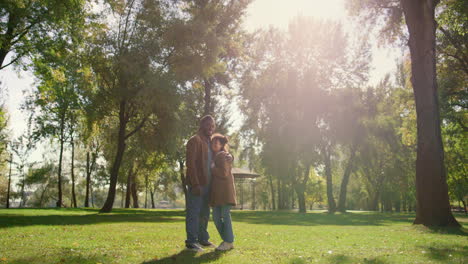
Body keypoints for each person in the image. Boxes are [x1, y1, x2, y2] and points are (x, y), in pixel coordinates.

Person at [184, 115, 217, 252]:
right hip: (197, 185)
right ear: (202, 125)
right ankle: (191, 242)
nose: (210, 128)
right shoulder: (194, 140)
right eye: (208, 125)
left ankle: (203, 239)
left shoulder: (210, 142)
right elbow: (190, 164)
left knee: (204, 213)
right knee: (194, 213)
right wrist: (195, 184)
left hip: (208, 185)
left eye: (212, 125)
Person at [209, 133, 237, 251]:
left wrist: (213, 168)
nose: (214, 144)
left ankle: (228, 241)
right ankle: (227, 240)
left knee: (225, 216)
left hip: (225, 191)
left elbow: (224, 173)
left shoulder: (223, 155)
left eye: (217, 143)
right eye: (213, 142)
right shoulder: (215, 156)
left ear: (221, 145)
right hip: (217, 193)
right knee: (216, 217)